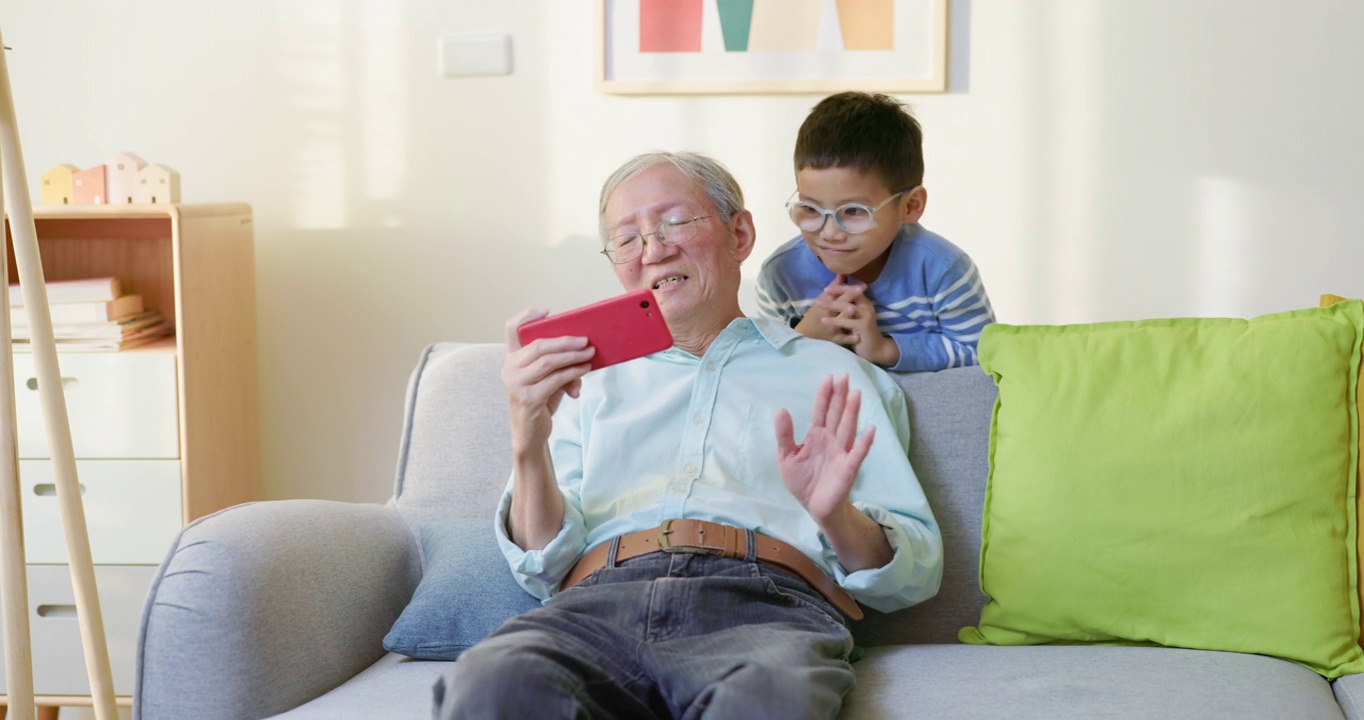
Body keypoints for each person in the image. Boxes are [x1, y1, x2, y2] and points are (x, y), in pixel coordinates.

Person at [433, 151, 942, 720]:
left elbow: (912, 575)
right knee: (491, 687)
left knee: (766, 704)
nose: (653, 250)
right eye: (626, 239)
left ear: (740, 233)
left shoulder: (839, 375)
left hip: (768, 607)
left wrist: (835, 515)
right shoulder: (583, 384)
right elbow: (540, 565)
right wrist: (527, 442)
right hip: (596, 604)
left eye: (674, 222)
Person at [756, 91, 995, 373]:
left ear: (911, 206)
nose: (830, 232)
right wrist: (802, 338)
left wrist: (884, 348)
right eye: (810, 209)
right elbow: (765, 375)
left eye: (854, 212)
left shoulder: (942, 269)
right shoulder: (780, 276)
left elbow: (984, 355)